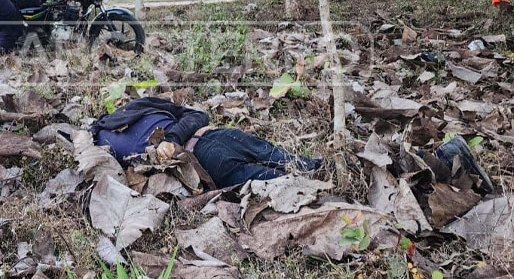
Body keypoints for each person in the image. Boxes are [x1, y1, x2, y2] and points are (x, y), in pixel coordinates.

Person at [91, 98, 495, 194]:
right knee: (312, 184)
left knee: (314, 168)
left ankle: (434, 160)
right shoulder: (99, 146)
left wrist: (173, 138)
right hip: (209, 168)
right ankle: (437, 166)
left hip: (217, 142)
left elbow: (197, 114)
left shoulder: (140, 106)